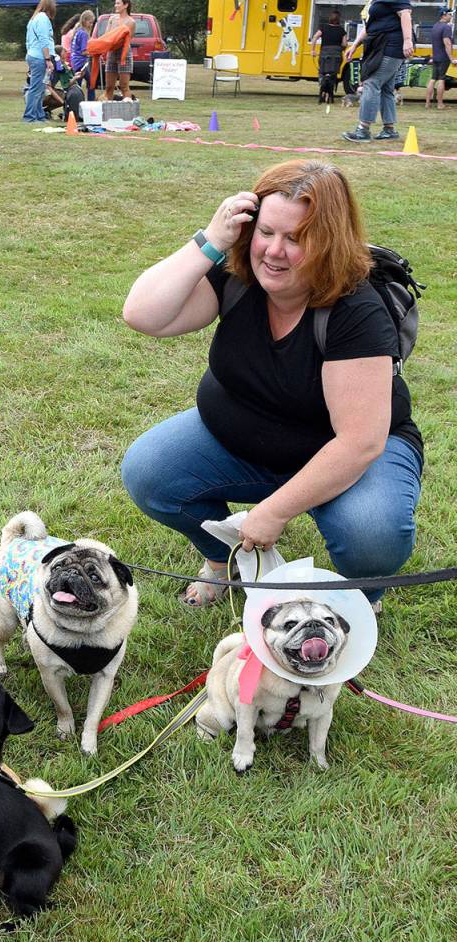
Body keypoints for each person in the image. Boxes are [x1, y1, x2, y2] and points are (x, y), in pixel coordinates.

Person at [120, 159, 422, 612]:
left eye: (295, 239)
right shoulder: (238, 278)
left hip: (348, 456)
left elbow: (360, 442)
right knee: (149, 471)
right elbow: (142, 314)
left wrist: (274, 512)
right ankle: (223, 559)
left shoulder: (355, 310)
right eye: (266, 231)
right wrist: (210, 241)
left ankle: (362, 595)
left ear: (327, 242)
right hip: (244, 439)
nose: (273, 252)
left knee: (372, 531)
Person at [341, 0, 414, 141]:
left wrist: (408, 40)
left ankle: (363, 130)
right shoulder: (374, 2)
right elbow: (371, 26)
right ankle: (389, 129)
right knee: (386, 88)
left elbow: (405, 14)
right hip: (380, 45)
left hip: (389, 46)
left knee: (371, 83)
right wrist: (355, 45)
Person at [23, 0, 55, 123]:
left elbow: (28, 40)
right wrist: (48, 59)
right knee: (36, 89)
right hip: (39, 57)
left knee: (40, 89)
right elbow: (43, 40)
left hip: (34, 55)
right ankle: (29, 116)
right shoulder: (42, 18)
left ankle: (39, 115)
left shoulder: (35, 18)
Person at [311, 10, 347, 97]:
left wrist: (313, 50)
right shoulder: (342, 30)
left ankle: (322, 88)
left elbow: (315, 37)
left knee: (322, 71)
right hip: (337, 54)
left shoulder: (323, 27)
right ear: (339, 19)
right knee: (333, 74)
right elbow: (345, 44)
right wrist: (341, 48)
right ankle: (330, 94)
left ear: (330, 18)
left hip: (324, 53)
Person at [104, 0, 135, 102]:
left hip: (124, 54)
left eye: (118, 3)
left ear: (125, 5)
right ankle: (107, 112)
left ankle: (128, 111)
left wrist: (111, 41)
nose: (115, 5)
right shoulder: (112, 19)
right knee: (109, 86)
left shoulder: (131, 22)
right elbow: (106, 36)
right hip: (111, 53)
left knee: (124, 86)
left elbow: (125, 40)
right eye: (115, 3)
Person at [426, 8, 455, 108]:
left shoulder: (435, 26)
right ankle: (440, 104)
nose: (451, 16)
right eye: (449, 14)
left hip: (435, 56)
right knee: (442, 80)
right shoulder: (446, 28)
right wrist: (451, 58)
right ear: (444, 15)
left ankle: (427, 103)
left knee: (433, 79)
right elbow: (447, 43)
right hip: (443, 58)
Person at [69, 9, 96, 98]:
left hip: (75, 62)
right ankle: (89, 103)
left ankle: (76, 102)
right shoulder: (84, 34)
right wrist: (93, 53)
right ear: (84, 21)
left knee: (78, 85)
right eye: (90, 22)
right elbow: (83, 51)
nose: (91, 25)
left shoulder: (78, 31)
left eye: (92, 23)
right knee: (91, 83)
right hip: (81, 63)